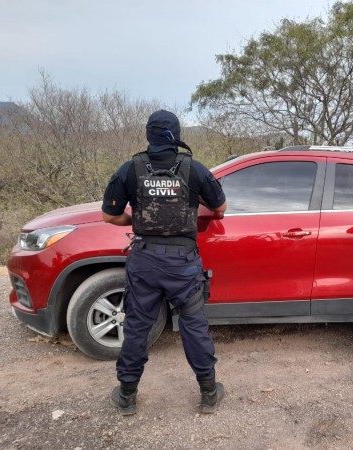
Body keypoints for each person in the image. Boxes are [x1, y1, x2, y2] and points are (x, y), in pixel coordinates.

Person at [101, 110, 227, 415]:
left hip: (144, 260)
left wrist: (135, 219)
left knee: (137, 327)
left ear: (149, 135)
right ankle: (209, 392)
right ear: (176, 134)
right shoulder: (193, 169)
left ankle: (127, 395)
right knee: (193, 324)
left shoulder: (130, 169)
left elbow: (109, 215)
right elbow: (220, 207)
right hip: (182, 263)